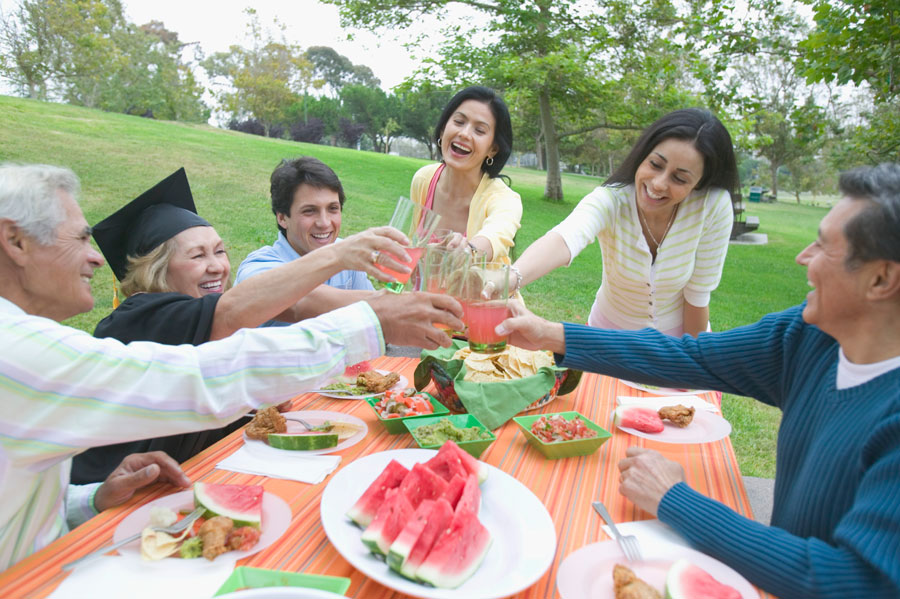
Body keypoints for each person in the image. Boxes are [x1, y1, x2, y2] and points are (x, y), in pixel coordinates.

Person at [0, 163, 464, 570]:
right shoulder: (103, 325)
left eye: (219, 251)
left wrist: (91, 498)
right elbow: (205, 375)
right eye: (80, 237)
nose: (95, 256)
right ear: (15, 241)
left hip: (107, 520)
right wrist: (371, 310)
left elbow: (23, 502)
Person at [496, 163, 900, 597]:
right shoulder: (810, 338)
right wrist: (552, 335)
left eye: (822, 247)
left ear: (881, 279)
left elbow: (856, 580)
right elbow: (692, 356)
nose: (803, 257)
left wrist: (674, 499)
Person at [70, 167, 420, 484]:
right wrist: (345, 263)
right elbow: (245, 312)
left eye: (220, 251)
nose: (218, 267)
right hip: (107, 496)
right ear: (156, 269)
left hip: (185, 478)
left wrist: (252, 405)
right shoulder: (137, 317)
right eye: (197, 255)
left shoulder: (195, 311)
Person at [513, 108, 738, 337]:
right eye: (655, 164)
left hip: (678, 342)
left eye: (679, 178)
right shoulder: (612, 199)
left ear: (700, 183)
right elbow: (566, 237)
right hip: (608, 337)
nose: (659, 183)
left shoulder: (712, 206)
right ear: (643, 156)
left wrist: (691, 361)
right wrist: (509, 278)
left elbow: (698, 296)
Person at [236, 157, 377, 321]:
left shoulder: (347, 256)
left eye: (333, 209)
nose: (324, 223)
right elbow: (299, 302)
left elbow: (381, 325)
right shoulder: (259, 266)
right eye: (310, 211)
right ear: (282, 218)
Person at [409, 85, 522, 262]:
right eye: (459, 122)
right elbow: (412, 253)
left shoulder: (504, 199)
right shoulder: (424, 179)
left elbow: (497, 234)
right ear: (442, 129)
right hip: (423, 290)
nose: (464, 134)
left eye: (479, 130)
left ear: (492, 149)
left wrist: (469, 250)